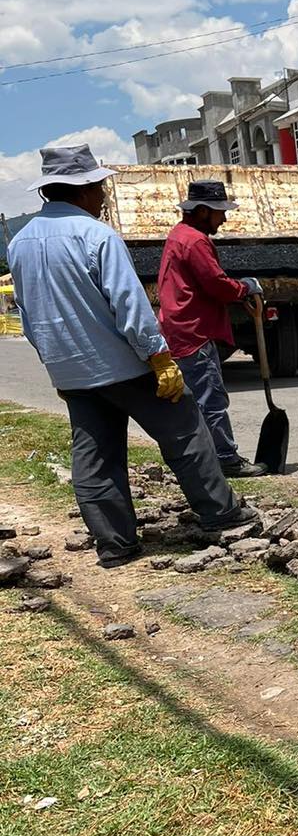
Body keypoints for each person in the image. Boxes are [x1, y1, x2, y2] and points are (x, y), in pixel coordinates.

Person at [6, 145, 248, 567]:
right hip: (122, 364)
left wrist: (55, 363)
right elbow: (129, 305)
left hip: (72, 373)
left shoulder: (21, 243)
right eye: (99, 188)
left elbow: (27, 314)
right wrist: (158, 358)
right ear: (83, 190)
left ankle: (115, 544)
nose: (102, 197)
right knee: (185, 430)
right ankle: (220, 513)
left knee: (95, 454)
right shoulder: (96, 235)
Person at [158, 179, 267, 476]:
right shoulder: (194, 241)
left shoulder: (179, 235)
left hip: (179, 329)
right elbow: (216, 284)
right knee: (211, 400)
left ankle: (202, 460)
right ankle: (226, 459)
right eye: (220, 212)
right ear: (203, 211)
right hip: (193, 332)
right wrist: (244, 288)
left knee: (194, 402)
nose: (224, 218)